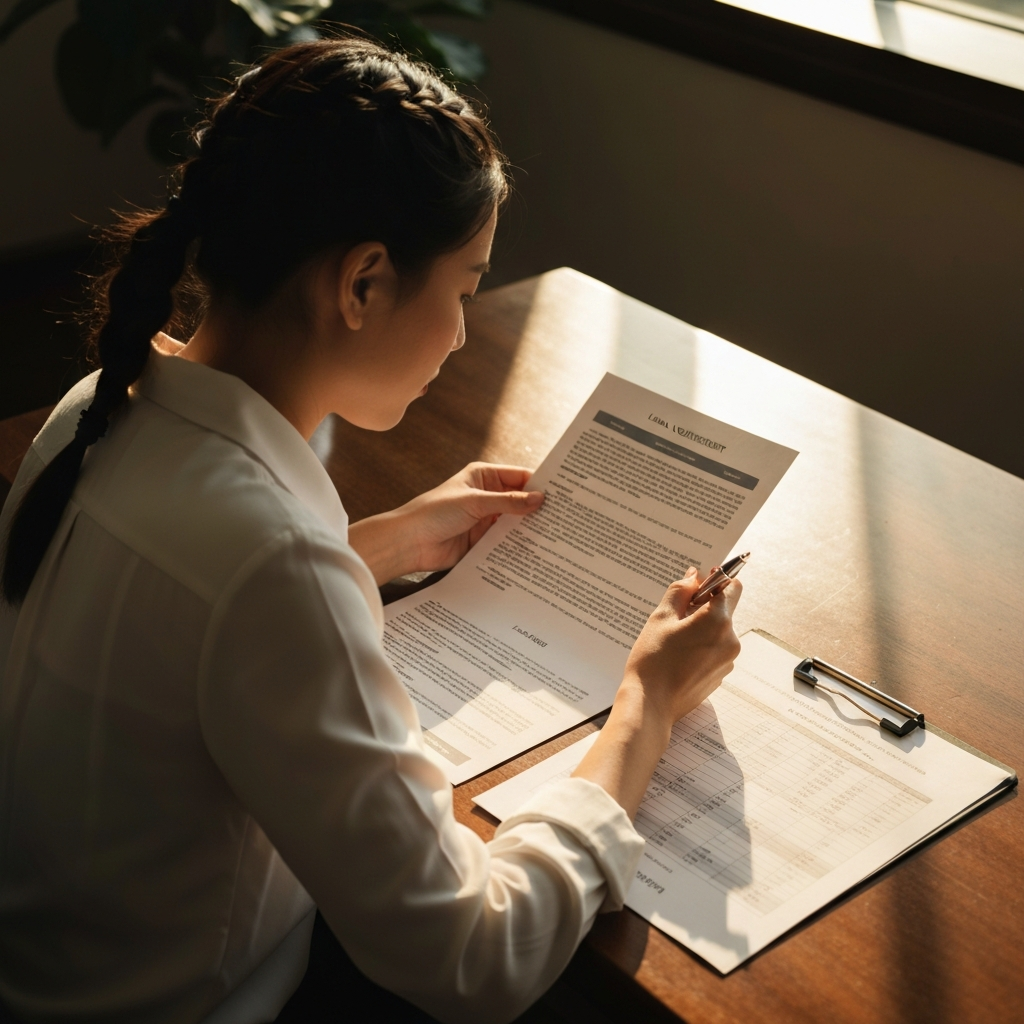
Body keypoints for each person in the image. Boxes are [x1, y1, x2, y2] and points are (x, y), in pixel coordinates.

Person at [0, 39, 741, 1024]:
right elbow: (472, 958)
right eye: (466, 287)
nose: (464, 331)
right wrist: (646, 702)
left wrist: (383, 542)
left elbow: (186, 622)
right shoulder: (269, 563)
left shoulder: (94, 407)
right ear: (362, 284)